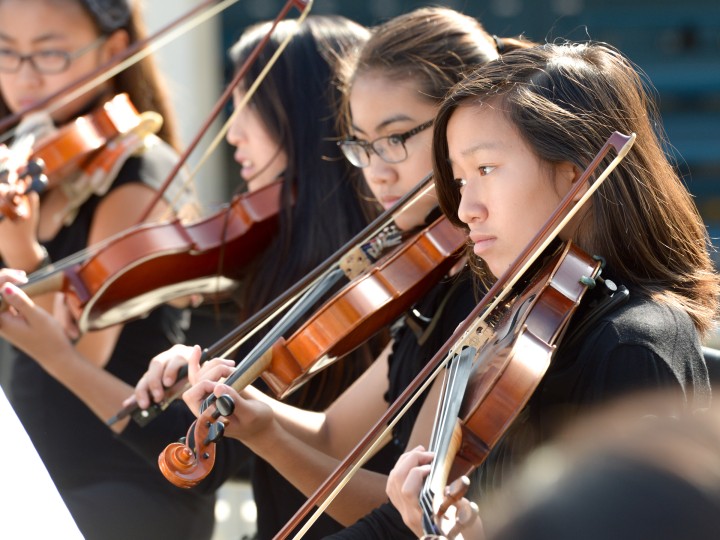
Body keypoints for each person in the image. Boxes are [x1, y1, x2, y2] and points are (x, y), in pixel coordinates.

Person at [0, 12, 376, 540]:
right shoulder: (271, 252)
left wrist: (53, 338)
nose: (232, 130)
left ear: (306, 117)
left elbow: (207, 455)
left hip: (125, 491)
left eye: (249, 106)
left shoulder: (362, 281)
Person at [178, 7, 534, 538]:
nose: (377, 170)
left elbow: (406, 512)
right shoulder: (432, 278)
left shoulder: (490, 293)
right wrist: (256, 415)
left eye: (395, 138)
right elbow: (330, 436)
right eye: (361, 145)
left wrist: (268, 433)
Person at [384, 41, 719, 538]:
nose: (464, 208)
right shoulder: (519, 328)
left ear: (576, 176)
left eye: (485, 170)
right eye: (458, 179)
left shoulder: (630, 345)